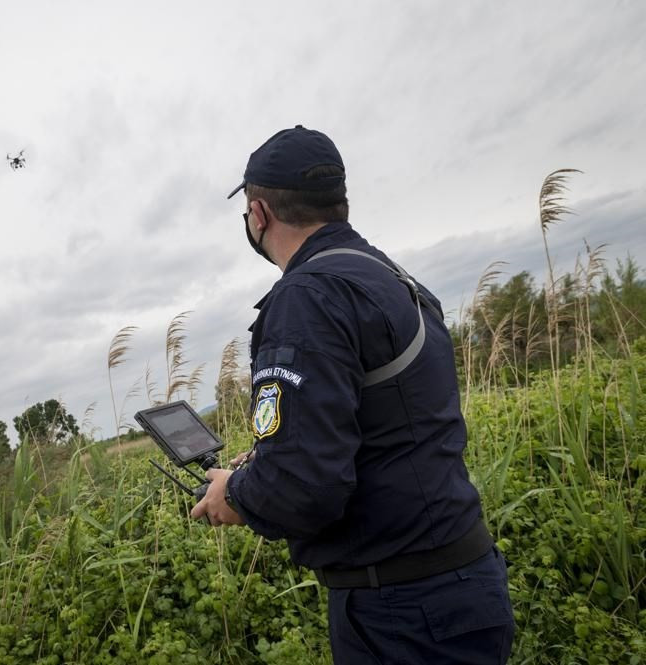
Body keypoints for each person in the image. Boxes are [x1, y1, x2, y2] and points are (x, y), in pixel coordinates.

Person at [189, 126, 515, 664]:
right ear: (338, 203)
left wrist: (239, 494)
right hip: (464, 580)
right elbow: (383, 424)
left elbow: (304, 485)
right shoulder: (393, 279)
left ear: (260, 213)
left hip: (402, 612)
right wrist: (269, 457)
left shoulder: (307, 297)